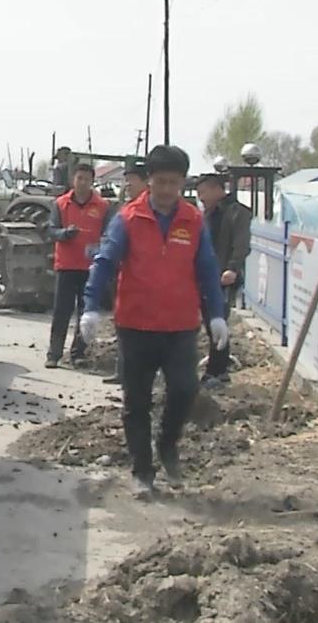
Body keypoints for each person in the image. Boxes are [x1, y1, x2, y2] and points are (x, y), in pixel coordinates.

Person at [80, 144, 228, 497]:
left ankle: (168, 445)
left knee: (184, 389)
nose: (166, 191)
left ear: (182, 183)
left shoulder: (192, 220)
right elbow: (105, 262)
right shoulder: (129, 219)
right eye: (160, 182)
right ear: (149, 181)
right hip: (136, 326)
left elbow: (207, 270)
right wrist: (90, 306)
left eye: (173, 183)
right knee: (137, 401)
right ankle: (142, 471)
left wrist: (217, 315)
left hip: (179, 325)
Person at [44, 161, 108, 368]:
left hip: (91, 268)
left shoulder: (102, 206)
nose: (82, 183)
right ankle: (53, 354)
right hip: (66, 265)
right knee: (61, 311)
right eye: (79, 178)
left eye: (86, 179)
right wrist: (64, 234)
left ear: (92, 182)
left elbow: (108, 234)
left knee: (85, 311)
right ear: (73, 179)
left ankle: (78, 353)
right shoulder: (60, 204)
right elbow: (50, 230)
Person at [194, 173, 252, 388]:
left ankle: (218, 372)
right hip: (207, 276)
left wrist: (233, 268)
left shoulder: (236, 212)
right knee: (210, 324)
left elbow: (241, 244)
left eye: (203, 192)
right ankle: (215, 368)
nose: (200, 197)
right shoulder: (207, 214)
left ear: (216, 189)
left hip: (225, 276)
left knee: (218, 323)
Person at [98, 162, 149, 384]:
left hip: (145, 280)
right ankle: (124, 371)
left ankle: (141, 373)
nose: (127, 184)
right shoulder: (123, 208)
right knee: (124, 325)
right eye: (125, 180)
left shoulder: (152, 209)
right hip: (123, 276)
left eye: (131, 180)